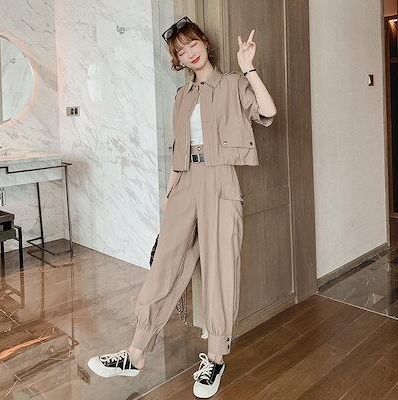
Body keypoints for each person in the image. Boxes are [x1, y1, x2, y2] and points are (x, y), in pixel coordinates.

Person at [87, 15, 277, 399]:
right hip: (185, 181)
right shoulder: (182, 96)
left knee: (220, 269)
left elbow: (269, 112)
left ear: (204, 43)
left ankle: (216, 358)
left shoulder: (233, 84)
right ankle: (136, 352)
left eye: (192, 44)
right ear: (177, 59)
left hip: (220, 180)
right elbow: (179, 148)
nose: (189, 53)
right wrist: (170, 192)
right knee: (166, 263)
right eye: (180, 50)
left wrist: (249, 67)